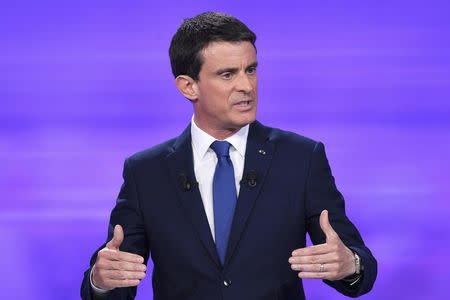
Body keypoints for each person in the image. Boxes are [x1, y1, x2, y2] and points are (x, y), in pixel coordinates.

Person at [81, 11, 377, 300]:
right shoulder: (146, 172)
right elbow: (118, 277)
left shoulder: (301, 158)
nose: (247, 86)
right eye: (227, 74)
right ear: (188, 86)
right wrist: (101, 280)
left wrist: (351, 264)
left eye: (250, 70)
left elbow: (358, 263)